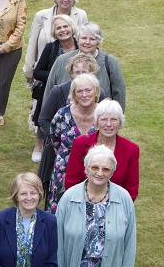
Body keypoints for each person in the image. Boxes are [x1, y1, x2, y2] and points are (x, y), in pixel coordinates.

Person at [37, 53, 100, 202]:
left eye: (85, 72)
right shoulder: (61, 106)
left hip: (95, 168)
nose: (84, 94)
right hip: (64, 168)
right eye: (77, 72)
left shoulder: (102, 112)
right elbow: (50, 129)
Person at [65, 99, 139, 202]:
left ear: (120, 122)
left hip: (116, 206)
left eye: (114, 119)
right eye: (104, 119)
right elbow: (71, 182)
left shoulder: (131, 149)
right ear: (96, 122)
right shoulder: (80, 144)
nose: (108, 124)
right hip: (81, 204)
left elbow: (132, 189)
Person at [47, 73, 99, 212]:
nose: (84, 95)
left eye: (88, 90)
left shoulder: (103, 115)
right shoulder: (62, 114)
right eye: (79, 91)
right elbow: (55, 139)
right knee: (61, 210)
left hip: (95, 171)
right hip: (63, 170)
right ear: (74, 95)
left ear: (96, 92)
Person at [44, 22, 125, 109]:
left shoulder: (110, 61)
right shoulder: (62, 60)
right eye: (83, 38)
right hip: (65, 119)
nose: (87, 42)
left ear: (98, 42)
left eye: (92, 39)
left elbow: (119, 93)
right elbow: (49, 90)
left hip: (100, 118)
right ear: (78, 40)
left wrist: (117, 116)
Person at [29, 14, 77, 161]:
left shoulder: (81, 46)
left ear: (72, 28)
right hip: (53, 91)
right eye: (58, 28)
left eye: (65, 26)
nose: (63, 30)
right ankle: (39, 146)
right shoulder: (51, 48)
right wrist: (55, 75)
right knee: (46, 116)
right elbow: (37, 71)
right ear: (54, 32)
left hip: (76, 91)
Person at [23, 0, 88, 88]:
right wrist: (29, 70)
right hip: (44, 74)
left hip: (74, 76)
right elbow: (32, 44)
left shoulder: (81, 15)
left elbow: (85, 43)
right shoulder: (41, 16)